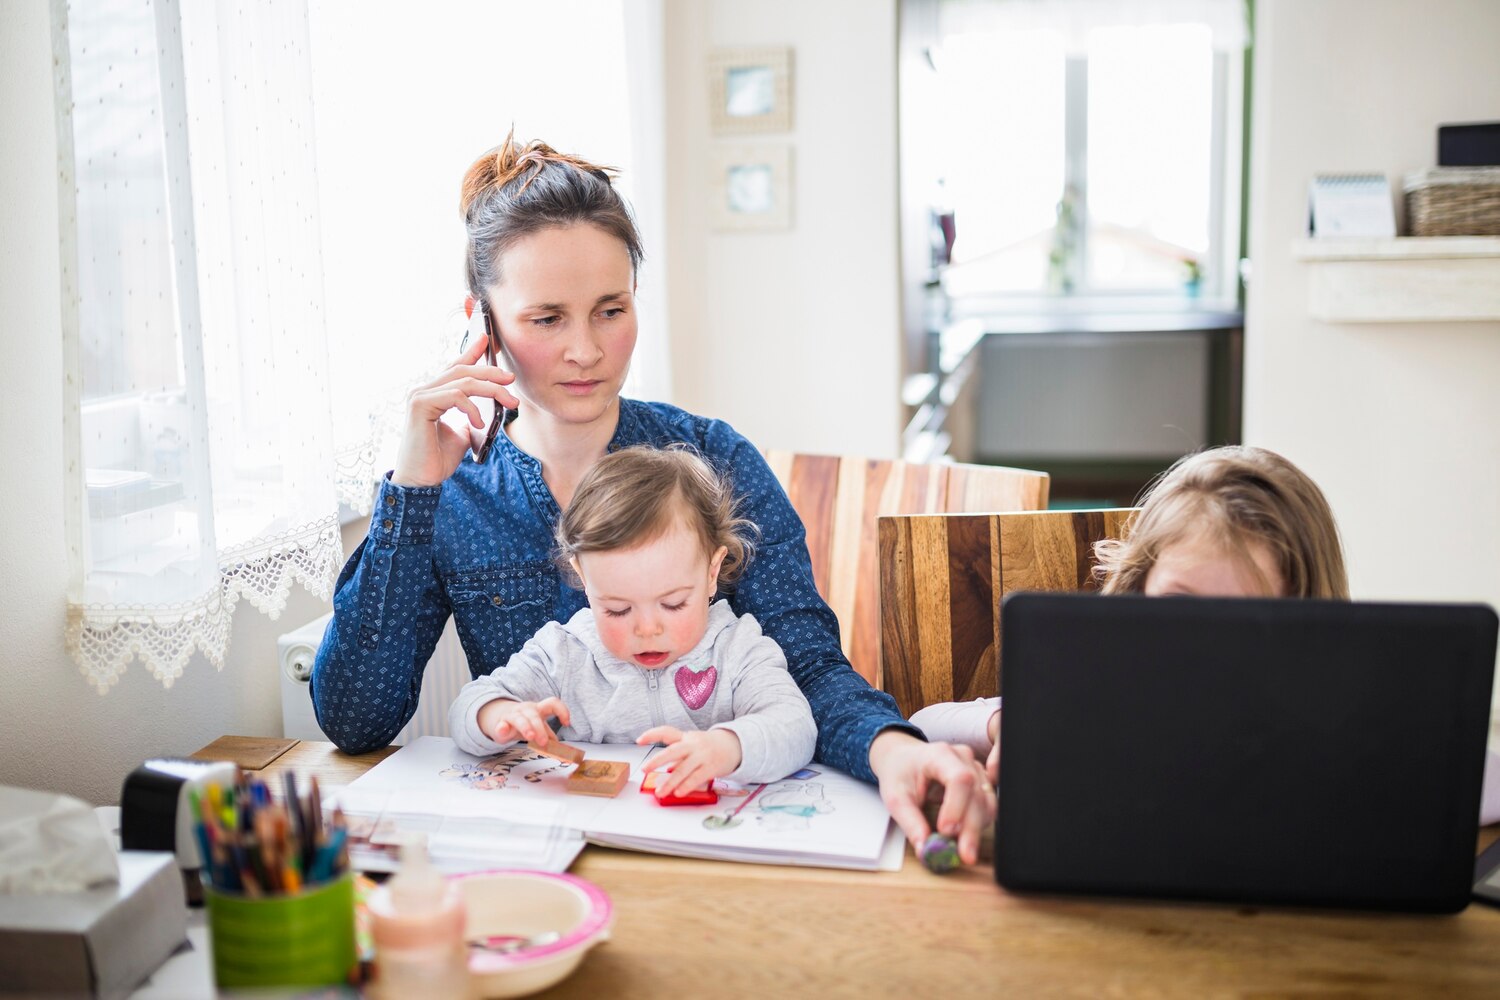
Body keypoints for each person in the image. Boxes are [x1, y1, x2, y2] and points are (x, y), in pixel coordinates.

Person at [311, 134, 992, 861]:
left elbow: (806, 664)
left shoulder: (712, 459)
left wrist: (892, 749)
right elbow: (356, 719)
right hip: (543, 850)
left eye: (611, 309)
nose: (586, 349)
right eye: (546, 319)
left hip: (709, 836)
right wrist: (411, 495)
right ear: (483, 323)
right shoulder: (453, 493)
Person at [910, 445, 1500, 826]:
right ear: (1139, 591)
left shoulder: (1333, 719)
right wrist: (999, 724)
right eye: (1180, 606)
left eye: (1245, 620)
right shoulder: (1109, 695)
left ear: (1306, 618)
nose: (1206, 647)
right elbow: (924, 724)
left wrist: (1388, 771)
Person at [448, 445, 816, 797]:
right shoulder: (564, 652)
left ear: (711, 571)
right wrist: (501, 716)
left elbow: (796, 727)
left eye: (673, 604)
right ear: (584, 577)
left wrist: (729, 747)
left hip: (696, 841)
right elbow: (468, 705)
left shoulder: (738, 649)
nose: (647, 629)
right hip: (593, 837)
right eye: (618, 610)